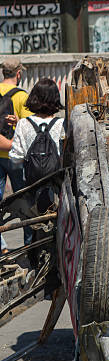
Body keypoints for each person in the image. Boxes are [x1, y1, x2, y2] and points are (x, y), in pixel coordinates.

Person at [0, 57, 32, 253]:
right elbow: (30, 128)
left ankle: (2, 247)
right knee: (25, 201)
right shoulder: (21, 96)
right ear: (18, 74)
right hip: (15, 156)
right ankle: (29, 245)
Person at [9, 78, 64, 166]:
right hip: (57, 173)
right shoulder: (62, 124)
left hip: (32, 173)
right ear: (56, 98)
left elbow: (16, 158)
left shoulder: (23, 123)